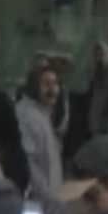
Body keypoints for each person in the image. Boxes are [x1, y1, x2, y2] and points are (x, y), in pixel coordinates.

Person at [15, 62, 66, 202]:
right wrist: (47, 198)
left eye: (55, 83)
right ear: (33, 87)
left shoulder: (41, 114)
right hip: (38, 200)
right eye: (46, 84)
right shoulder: (26, 116)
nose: (53, 89)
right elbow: (29, 164)